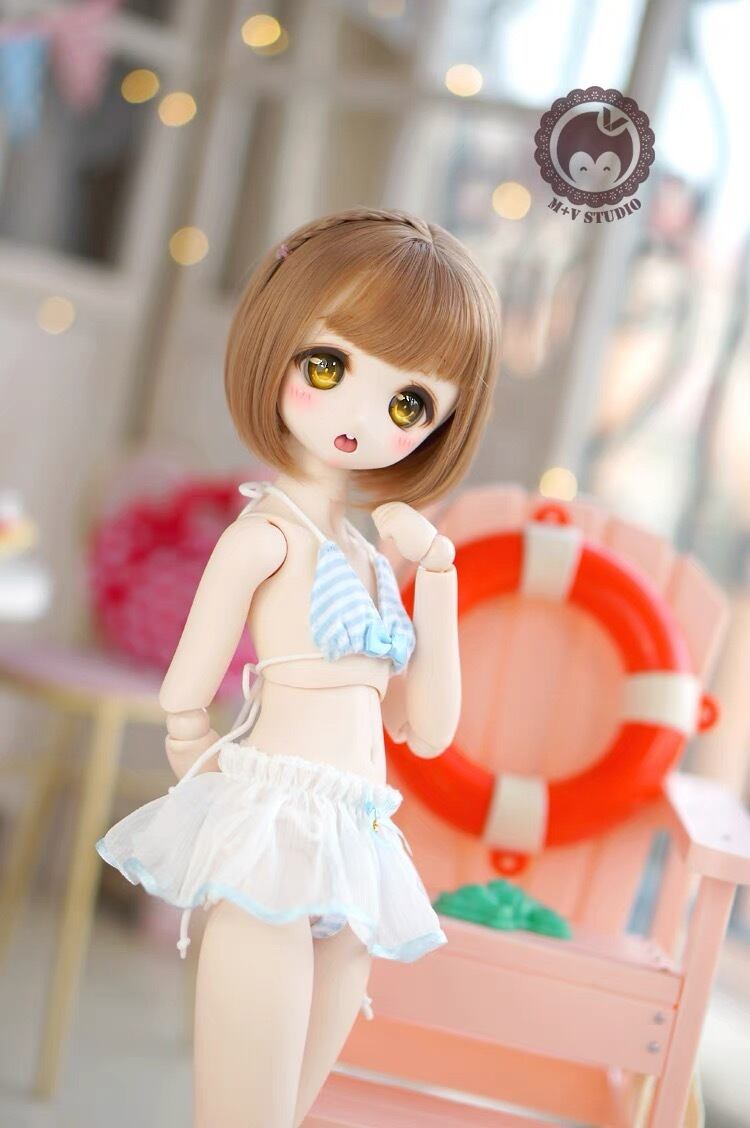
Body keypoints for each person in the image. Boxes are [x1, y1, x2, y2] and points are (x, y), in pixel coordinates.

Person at [97, 206, 501, 1127]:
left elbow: (428, 729)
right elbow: (184, 691)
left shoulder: (370, 557)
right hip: (276, 832)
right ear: (276, 347)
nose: (362, 416)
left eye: (408, 404)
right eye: (328, 367)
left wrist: (438, 575)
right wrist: (201, 771)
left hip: (359, 842)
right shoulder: (266, 535)